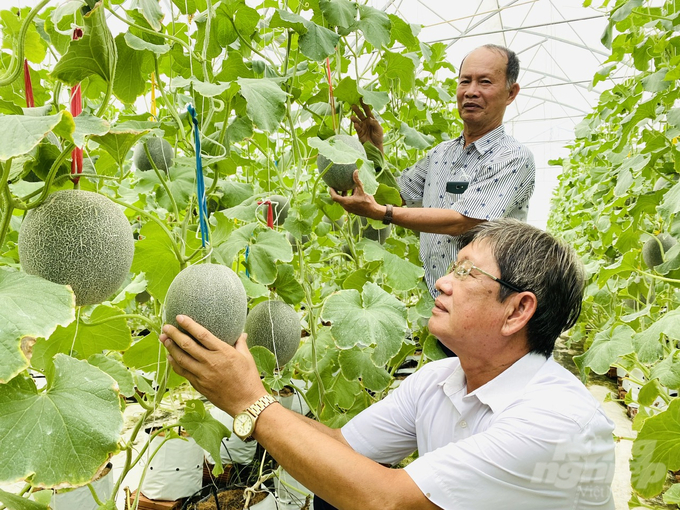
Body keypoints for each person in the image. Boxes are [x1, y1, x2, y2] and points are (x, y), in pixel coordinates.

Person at [159, 219, 616, 510]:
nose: (441, 282)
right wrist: (244, 390)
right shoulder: (442, 378)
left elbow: (387, 501)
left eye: (465, 272)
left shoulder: (558, 423)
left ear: (518, 310)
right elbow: (343, 446)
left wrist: (249, 402)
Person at [331, 44, 536, 300]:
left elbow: (462, 221)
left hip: (487, 305)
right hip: (438, 300)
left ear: (511, 92)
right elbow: (396, 195)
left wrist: (382, 214)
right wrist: (374, 149)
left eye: (484, 82)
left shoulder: (513, 157)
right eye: (465, 81)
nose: (471, 92)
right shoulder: (440, 154)